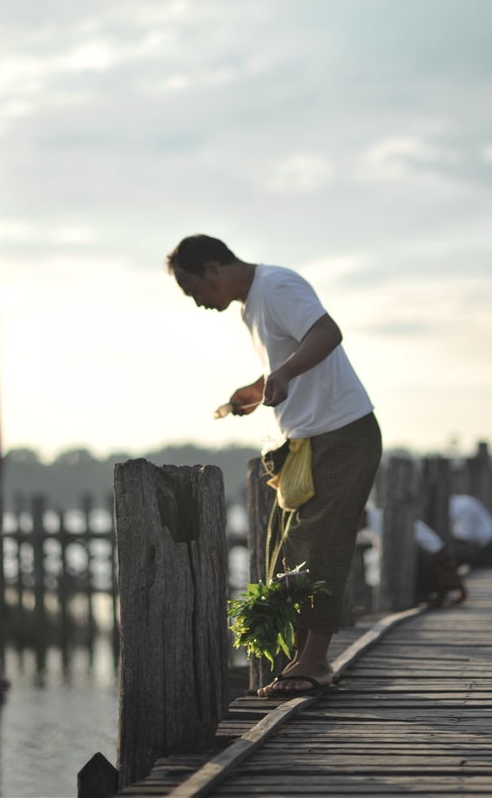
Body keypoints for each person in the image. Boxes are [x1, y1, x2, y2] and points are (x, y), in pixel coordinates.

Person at [167, 234, 381, 697]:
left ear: (211, 267)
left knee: (316, 541)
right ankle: (299, 659)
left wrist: (283, 374)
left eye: (195, 291)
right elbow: (291, 357)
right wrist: (260, 384)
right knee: (284, 554)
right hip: (306, 440)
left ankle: (316, 662)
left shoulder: (276, 285)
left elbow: (327, 333)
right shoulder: (250, 307)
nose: (198, 302)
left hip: (343, 433)